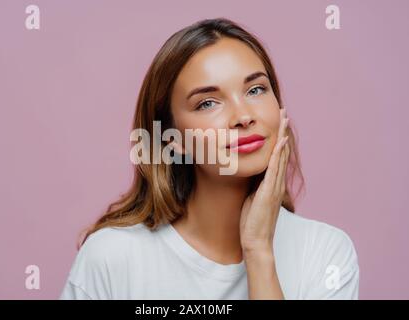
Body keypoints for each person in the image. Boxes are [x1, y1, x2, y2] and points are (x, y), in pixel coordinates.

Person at [60, 17, 359, 300]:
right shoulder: (111, 258)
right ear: (171, 138)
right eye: (207, 103)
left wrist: (258, 252)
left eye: (256, 89)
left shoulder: (325, 253)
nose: (243, 117)